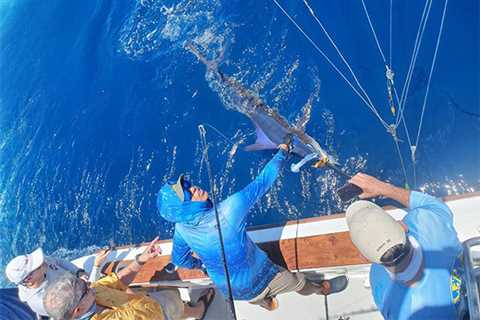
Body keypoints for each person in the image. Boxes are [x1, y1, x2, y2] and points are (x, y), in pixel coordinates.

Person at [157, 144, 348, 311]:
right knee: (297, 282)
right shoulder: (229, 210)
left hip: (230, 291)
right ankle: (321, 289)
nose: (194, 188)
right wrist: (282, 151)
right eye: (188, 194)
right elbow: (262, 182)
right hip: (261, 279)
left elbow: (179, 259)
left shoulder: (181, 227)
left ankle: (264, 302)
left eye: (187, 185)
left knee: (250, 294)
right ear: (183, 208)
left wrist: (202, 266)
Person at [345, 173, 468, 319]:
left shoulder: (378, 282)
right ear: (403, 225)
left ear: (364, 257)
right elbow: (435, 206)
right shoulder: (427, 222)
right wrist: (382, 188)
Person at [43, 237, 215, 320]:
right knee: (175, 303)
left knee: (174, 295)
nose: (90, 284)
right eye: (85, 289)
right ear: (78, 310)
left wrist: (141, 260)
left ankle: (193, 311)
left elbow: (119, 280)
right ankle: (198, 311)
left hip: (152, 305)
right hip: (158, 313)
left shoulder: (93, 291)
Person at [5, 247, 89, 318]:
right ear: (29, 279)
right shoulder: (39, 301)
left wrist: (78, 272)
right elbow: (68, 313)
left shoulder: (43, 264)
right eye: (37, 265)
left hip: (76, 285)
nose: (43, 261)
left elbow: (58, 261)